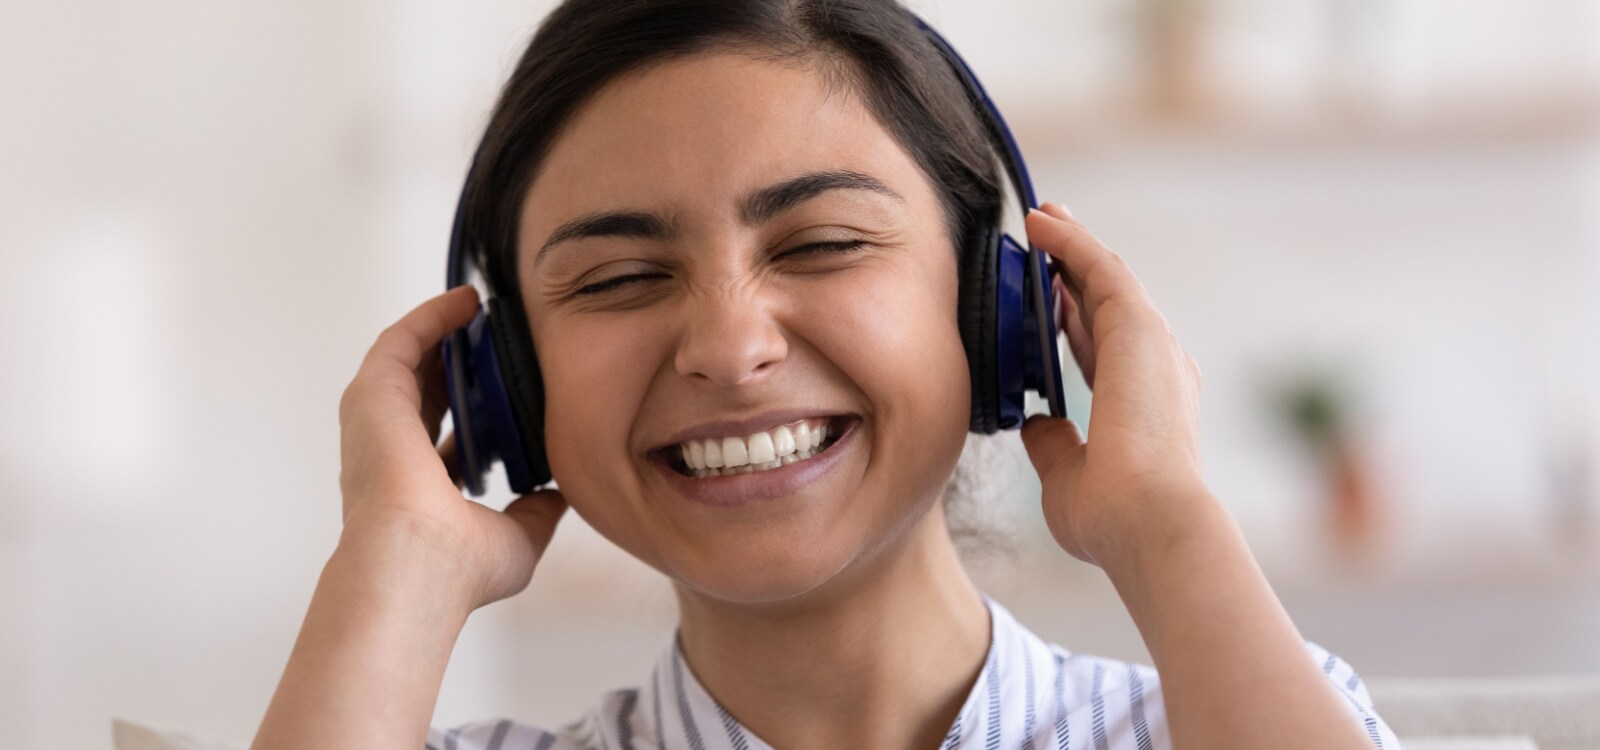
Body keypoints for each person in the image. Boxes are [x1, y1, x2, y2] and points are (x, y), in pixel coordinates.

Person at [251, 1, 1402, 748]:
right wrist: (393, 568)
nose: (729, 346)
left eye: (820, 246)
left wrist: (1164, 522)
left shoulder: (1235, 717)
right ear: (509, 385)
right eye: (615, 278)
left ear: (993, 310)